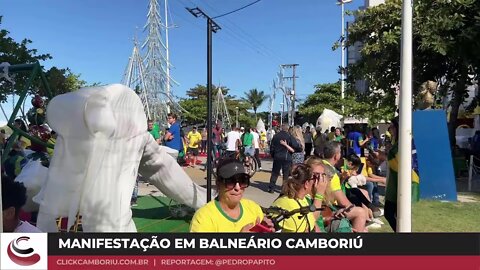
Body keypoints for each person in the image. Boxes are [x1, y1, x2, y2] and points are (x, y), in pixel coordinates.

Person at [190, 158, 273, 232]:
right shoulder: (203, 218)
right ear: (218, 184)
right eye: (230, 182)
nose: (237, 187)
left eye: (242, 181)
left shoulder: (254, 208)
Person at [321, 142, 368, 232]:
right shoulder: (331, 173)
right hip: (325, 212)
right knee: (360, 212)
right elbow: (343, 202)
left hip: (318, 208)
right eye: (340, 153)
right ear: (336, 156)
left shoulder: (319, 165)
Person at [385, 118, 420, 232]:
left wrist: (386, 154)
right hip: (396, 181)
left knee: (391, 212)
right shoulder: (399, 142)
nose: (390, 130)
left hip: (402, 181)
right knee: (392, 213)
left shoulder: (404, 142)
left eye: (392, 127)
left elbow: (402, 163)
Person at [271, 163, 328, 232]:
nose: (318, 181)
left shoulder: (299, 198)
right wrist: (319, 195)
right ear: (306, 184)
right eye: (315, 177)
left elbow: (312, 222)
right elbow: (310, 224)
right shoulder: (292, 205)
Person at [268, 124, 302, 193]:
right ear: (287, 129)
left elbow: (272, 147)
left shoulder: (276, 136)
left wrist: (273, 155)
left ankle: (271, 187)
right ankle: (284, 189)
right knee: (285, 174)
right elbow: (296, 146)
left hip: (277, 156)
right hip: (287, 156)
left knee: (275, 172)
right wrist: (296, 150)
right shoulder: (289, 136)